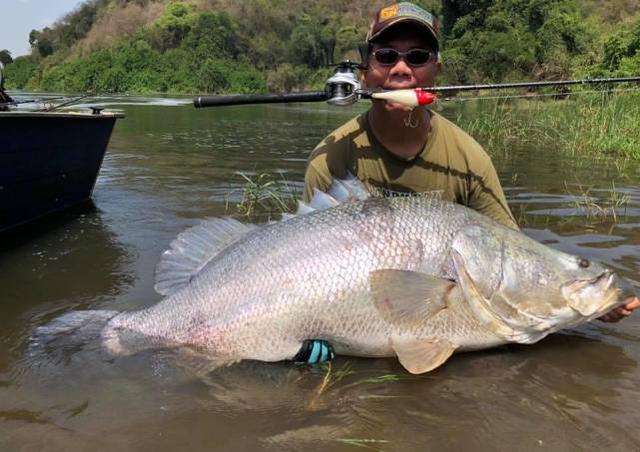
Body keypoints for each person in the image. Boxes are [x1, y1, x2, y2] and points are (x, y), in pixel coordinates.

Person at [296, 2, 639, 363]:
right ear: (365, 73)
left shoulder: (469, 158)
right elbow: (302, 265)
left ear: (435, 71)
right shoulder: (330, 156)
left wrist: (590, 305)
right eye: (385, 56)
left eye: (417, 56)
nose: (401, 69)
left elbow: (511, 250)